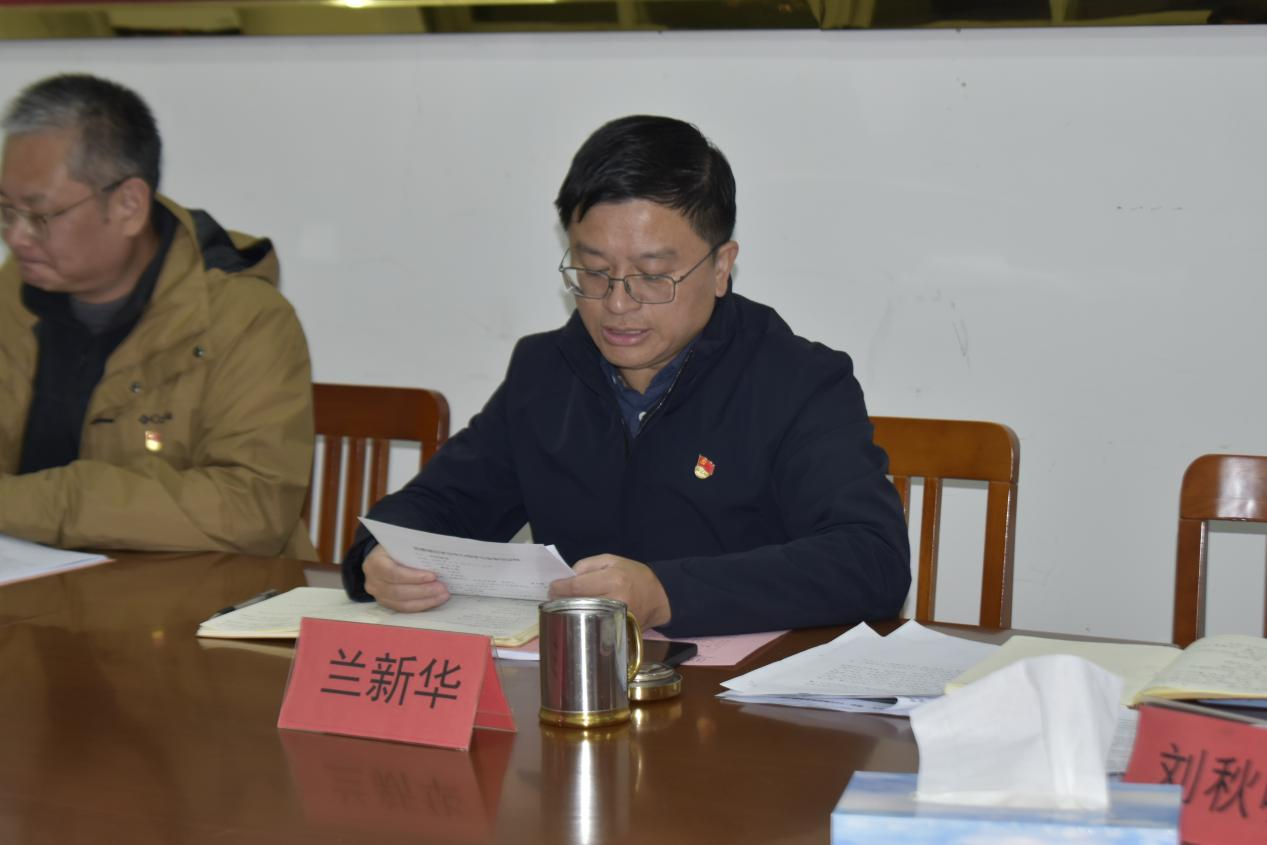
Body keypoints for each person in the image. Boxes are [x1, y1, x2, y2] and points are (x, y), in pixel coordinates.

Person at [342, 115, 910, 636]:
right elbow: (438, 506)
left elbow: (872, 561)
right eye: (593, 271)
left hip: (739, 695)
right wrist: (380, 558)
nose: (617, 304)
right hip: (578, 687)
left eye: (653, 275)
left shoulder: (798, 381)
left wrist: (667, 594)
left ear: (721, 266)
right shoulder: (546, 373)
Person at [0, 74, 316, 559]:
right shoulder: (10, 297)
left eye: (39, 215)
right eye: (6, 211)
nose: (17, 237)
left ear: (128, 205)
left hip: (203, 594)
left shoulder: (245, 319)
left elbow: (253, 508)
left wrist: (41, 504)